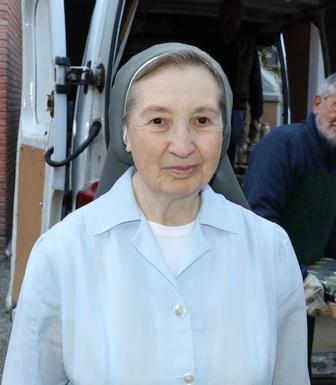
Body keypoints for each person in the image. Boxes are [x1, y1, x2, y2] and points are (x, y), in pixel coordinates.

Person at [2, 43, 309, 385]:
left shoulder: (270, 250)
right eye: (159, 120)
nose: (182, 145)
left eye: (202, 120)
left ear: (223, 132)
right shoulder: (62, 253)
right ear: (125, 135)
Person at [243, 71, 336, 368]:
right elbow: (258, 221)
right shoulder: (283, 145)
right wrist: (297, 275)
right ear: (317, 103)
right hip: (265, 281)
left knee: (295, 365)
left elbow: (326, 221)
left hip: (305, 286)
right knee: (259, 365)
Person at [209, 0, 263, 165]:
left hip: (236, 109)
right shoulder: (209, 41)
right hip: (210, 105)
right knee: (209, 147)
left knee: (230, 151)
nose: (231, 19)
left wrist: (256, 116)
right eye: (228, 14)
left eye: (236, 16)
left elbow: (255, 81)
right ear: (220, 16)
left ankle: (225, 188)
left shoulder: (248, 45)